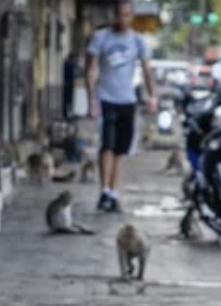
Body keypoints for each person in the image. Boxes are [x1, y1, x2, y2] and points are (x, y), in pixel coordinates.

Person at [87, 0, 156, 213]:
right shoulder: (101, 37)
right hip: (106, 98)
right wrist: (91, 100)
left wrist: (152, 95)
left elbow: (146, 70)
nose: (122, 19)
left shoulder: (138, 40)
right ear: (113, 15)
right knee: (106, 145)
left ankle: (114, 192)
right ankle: (104, 191)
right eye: (119, 15)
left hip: (127, 99)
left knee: (120, 149)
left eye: (126, 15)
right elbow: (90, 69)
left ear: (132, 16)